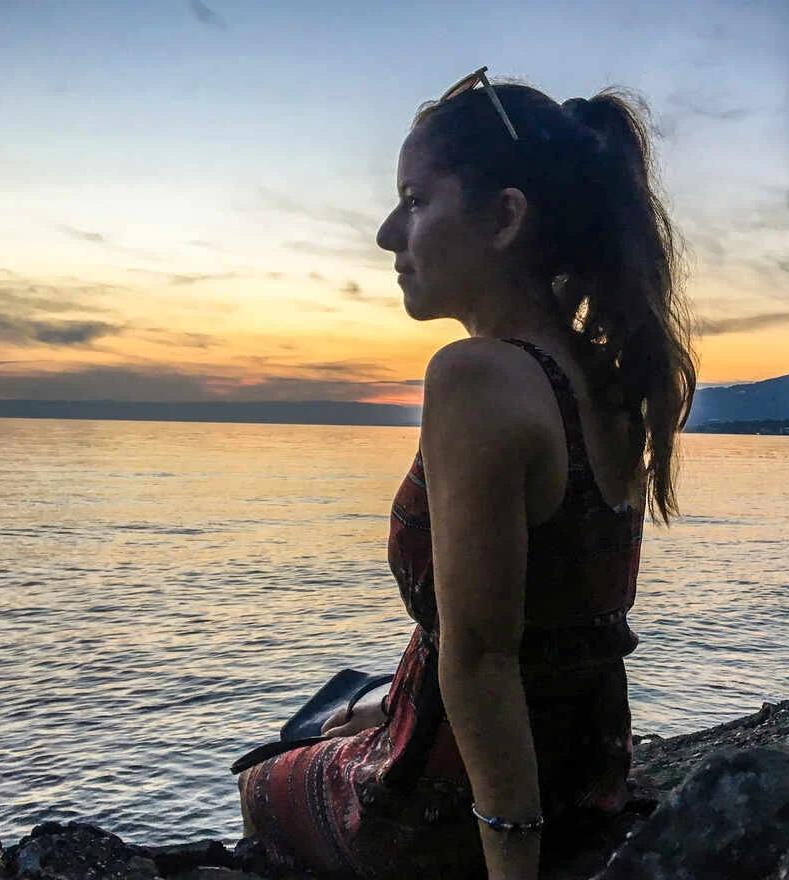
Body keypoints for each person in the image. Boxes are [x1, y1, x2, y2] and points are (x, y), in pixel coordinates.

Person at [237, 67, 697, 879]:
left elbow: (484, 660)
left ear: (504, 218)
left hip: (457, 805)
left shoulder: (477, 377)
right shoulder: (606, 377)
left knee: (260, 780)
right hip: (588, 768)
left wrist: (512, 866)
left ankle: (340, 723)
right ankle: (353, 711)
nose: (388, 232)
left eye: (415, 200)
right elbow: (557, 629)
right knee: (354, 701)